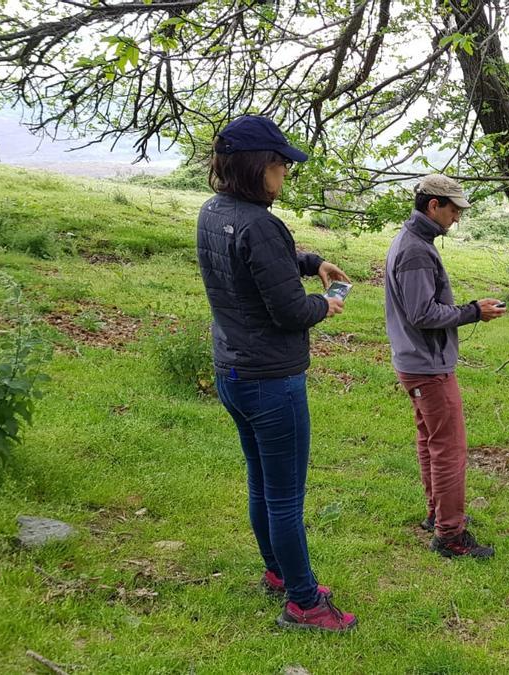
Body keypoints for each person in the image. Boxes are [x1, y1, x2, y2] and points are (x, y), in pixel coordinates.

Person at [196, 115, 357, 632]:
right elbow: (290, 311)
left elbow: (259, 260)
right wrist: (325, 304)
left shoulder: (215, 210)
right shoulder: (261, 223)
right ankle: (305, 602)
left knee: (261, 482)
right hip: (272, 379)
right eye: (280, 163)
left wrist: (313, 262)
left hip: (233, 372)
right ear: (256, 166)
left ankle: (278, 572)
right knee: (285, 495)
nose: (285, 172)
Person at [385, 174, 504, 559]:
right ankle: (450, 535)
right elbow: (422, 312)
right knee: (449, 448)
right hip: (427, 365)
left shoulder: (413, 240)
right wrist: (474, 312)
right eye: (453, 210)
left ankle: (437, 513)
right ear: (433, 206)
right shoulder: (416, 249)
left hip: (415, 361)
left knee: (430, 441)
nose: (456, 218)